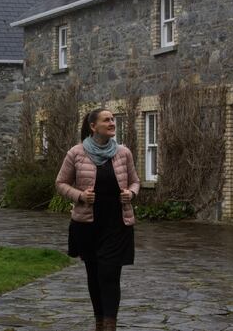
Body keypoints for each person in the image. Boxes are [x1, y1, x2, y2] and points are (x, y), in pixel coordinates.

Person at [55, 108, 140, 331]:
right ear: (93, 126)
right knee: (94, 275)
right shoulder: (76, 153)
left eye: (113, 119)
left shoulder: (124, 153)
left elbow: (135, 182)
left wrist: (130, 194)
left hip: (118, 224)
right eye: (107, 120)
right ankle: (99, 322)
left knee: (109, 273)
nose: (112, 123)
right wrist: (80, 196)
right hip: (87, 225)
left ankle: (110, 325)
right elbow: (61, 183)